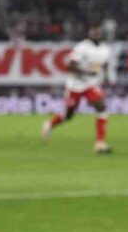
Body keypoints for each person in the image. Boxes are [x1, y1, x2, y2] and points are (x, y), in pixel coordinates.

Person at [42, 25, 113, 154]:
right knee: (69, 115)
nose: (96, 34)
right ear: (90, 33)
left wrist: (107, 77)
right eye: (94, 32)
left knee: (101, 107)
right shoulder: (82, 47)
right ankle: (50, 124)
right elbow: (70, 66)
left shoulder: (105, 49)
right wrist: (87, 73)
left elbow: (105, 64)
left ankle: (100, 143)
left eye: (98, 32)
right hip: (75, 85)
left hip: (92, 84)